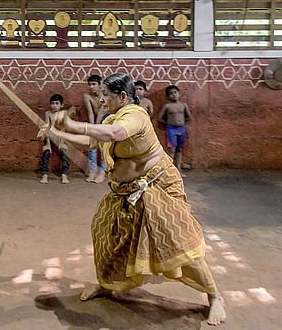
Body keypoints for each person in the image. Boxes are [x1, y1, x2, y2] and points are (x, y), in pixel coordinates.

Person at [45, 73, 226, 326]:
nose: (101, 99)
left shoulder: (135, 116)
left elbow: (115, 134)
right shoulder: (112, 117)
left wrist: (73, 125)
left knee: (177, 242)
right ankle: (108, 285)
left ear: (121, 96)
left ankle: (215, 296)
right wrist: (58, 134)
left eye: (105, 95)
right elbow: (93, 141)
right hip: (123, 191)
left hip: (157, 187)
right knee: (106, 233)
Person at [157, 84, 192, 175]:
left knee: (180, 149)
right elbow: (160, 118)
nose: (174, 95)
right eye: (171, 93)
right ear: (168, 96)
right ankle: (169, 171)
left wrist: (182, 122)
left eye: (175, 92)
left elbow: (189, 117)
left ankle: (178, 170)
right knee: (171, 150)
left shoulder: (183, 105)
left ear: (179, 93)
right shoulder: (167, 106)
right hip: (171, 130)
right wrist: (169, 124)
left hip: (182, 129)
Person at [37, 93, 70, 184]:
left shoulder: (64, 113)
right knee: (46, 152)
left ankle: (64, 175)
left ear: (61, 105)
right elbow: (47, 127)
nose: (54, 106)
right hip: (49, 135)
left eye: (57, 103)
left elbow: (63, 128)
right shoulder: (48, 113)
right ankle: (44, 175)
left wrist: (61, 142)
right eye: (52, 103)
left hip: (61, 135)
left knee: (64, 151)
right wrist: (48, 144)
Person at [84, 74, 107, 183]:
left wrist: (99, 128)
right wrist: (92, 129)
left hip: (107, 123)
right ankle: (92, 171)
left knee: (104, 148)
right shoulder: (87, 96)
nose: (91, 87)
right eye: (90, 84)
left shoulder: (105, 95)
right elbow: (90, 114)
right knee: (92, 146)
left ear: (100, 85)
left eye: (94, 84)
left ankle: (102, 172)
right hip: (95, 123)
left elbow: (102, 112)